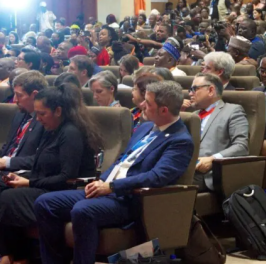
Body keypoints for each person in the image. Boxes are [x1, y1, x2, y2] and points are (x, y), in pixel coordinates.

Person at [35, 81, 194, 264]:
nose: (142, 105)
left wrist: (111, 186)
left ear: (164, 110)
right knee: (45, 203)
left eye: (148, 103)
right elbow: (121, 161)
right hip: (107, 190)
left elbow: (157, 177)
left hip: (130, 199)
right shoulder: (144, 128)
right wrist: (101, 182)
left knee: (82, 210)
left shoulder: (180, 141)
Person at [0, 83, 100, 262]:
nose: (38, 119)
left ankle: (21, 255)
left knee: (8, 198)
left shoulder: (70, 133)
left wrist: (28, 182)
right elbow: (40, 164)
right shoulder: (51, 130)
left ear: (58, 111)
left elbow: (66, 177)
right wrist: (21, 178)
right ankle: (8, 253)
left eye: (42, 114)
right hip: (44, 184)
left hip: (63, 191)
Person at [190, 73, 249, 192]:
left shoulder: (232, 111)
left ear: (211, 90)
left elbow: (241, 146)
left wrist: (213, 159)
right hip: (186, 168)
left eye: (194, 89)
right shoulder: (192, 116)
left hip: (207, 174)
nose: (190, 93)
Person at [0, 70, 47, 173]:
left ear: (34, 95)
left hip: (22, 174)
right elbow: (8, 150)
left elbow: (43, 159)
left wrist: (6, 162)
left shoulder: (46, 120)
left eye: (19, 95)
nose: (15, 100)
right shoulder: (20, 115)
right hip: (4, 170)